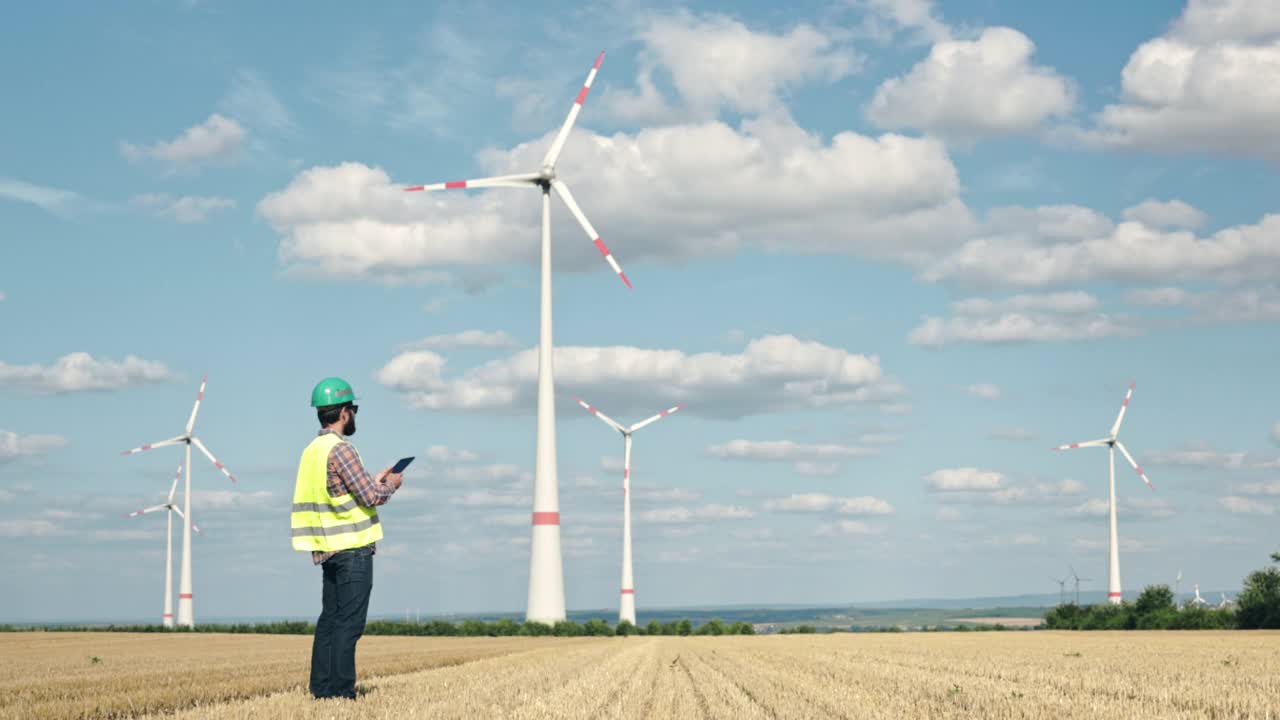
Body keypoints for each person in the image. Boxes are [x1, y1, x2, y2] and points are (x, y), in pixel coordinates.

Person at [291, 377, 403, 700]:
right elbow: (369, 496)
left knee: (329, 620)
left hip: (327, 550)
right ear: (343, 413)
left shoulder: (311, 451)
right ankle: (341, 693)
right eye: (352, 409)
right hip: (353, 549)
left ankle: (321, 689)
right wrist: (391, 484)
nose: (354, 414)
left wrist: (373, 479)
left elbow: (339, 491)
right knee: (349, 624)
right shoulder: (341, 449)